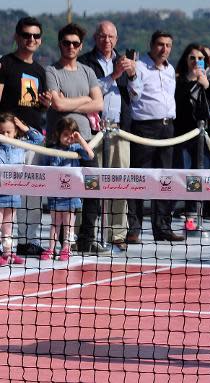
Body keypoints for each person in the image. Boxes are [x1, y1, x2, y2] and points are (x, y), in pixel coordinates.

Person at [78, 20, 141, 251]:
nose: (107, 41)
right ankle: (85, 233)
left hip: (119, 130)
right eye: (103, 36)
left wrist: (132, 75)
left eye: (111, 37)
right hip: (92, 131)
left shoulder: (125, 62)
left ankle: (117, 233)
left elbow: (136, 97)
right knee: (90, 183)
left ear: (117, 39)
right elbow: (87, 93)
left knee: (119, 182)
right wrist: (113, 76)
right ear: (96, 38)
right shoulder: (85, 62)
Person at [45, 23, 105, 255]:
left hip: (85, 142)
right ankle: (62, 244)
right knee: (59, 194)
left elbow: (98, 103)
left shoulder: (88, 72)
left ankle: (86, 239)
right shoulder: (52, 71)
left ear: (80, 47)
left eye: (75, 43)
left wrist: (72, 101)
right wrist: (83, 99)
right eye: (66, 42)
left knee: (92, 190)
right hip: (59, 144)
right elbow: (57, 105)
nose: (70, 46)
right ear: (60, 44)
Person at [0, 17, 52, 258]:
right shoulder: (5, 64)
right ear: (17, 37)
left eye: (36, 36)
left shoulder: (39, 70)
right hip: (7, 141)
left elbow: (35, 107)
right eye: (26, 35)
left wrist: (45, 105)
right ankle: (4, 242)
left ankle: (27, 240)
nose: (31, 39)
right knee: (4, 194)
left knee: (33, 190)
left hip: (31, 139)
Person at [127, 30, 184, 243]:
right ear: (151, 44)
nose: (164, 49)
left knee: (165, 179)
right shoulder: (139, 66)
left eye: (168, 45)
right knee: (139, 178)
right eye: (160, 44)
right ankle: (134, 228)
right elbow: (135, 94)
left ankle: (162, 227)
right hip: (144, 128)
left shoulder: (170, 70)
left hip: (167, 127)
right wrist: (132, 75)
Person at [173, 43, 210, 215]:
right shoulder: (177, 80)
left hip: (205, 135)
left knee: (202, 175)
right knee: (182, 174)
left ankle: (194, 211)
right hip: (183, 135)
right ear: (186, 59)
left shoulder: (209, 80)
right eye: (192, 58)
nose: (196, 61)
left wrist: (206, 84)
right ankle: (180, 209)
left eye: (200, 59)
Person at [40, 118, 95, 262]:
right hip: (55, 194)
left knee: (69, 224)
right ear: (58, 133)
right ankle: (51, 249)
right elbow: (44, 169)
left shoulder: (76, 149)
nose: (69, 138)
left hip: (71, 195)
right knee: (55, 223)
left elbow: (90, 155)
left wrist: (79, 139)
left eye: (72, 135)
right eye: (66, 134)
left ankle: (66, 249)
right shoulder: (51, 151)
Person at [0, 112, 44, 265]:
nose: (5, 135)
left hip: (13, 194)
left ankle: (7, 253)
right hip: (0, 193)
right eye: (2, 132)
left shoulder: (19, 146)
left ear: (15, 132)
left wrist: (24, 128)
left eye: (8, 132)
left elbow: (39, 140)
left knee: (8, 225)